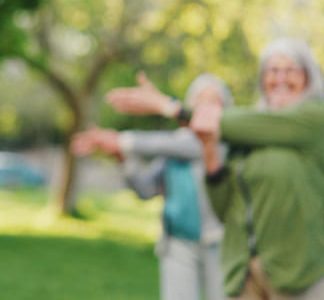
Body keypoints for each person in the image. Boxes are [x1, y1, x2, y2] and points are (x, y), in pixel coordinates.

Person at [107, 39, 324, 300]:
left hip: (299, 271)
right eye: (273, 70)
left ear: (308, 77)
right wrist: (209, 151)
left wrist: (167, 106)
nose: (280, 78)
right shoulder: (243, 134)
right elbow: (224, 207)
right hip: (245, 273)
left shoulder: (317, 116)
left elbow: (229, 124)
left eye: (291, 70)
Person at [74, 73, 231, 300]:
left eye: (213, 101)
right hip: (178, 244)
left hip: (220, 243)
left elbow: (189, 147)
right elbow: (145, 190)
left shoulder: (226, 145)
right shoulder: (173, 145)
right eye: (200, 100)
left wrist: (122, 140)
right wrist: (122, 158)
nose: (205, 107)